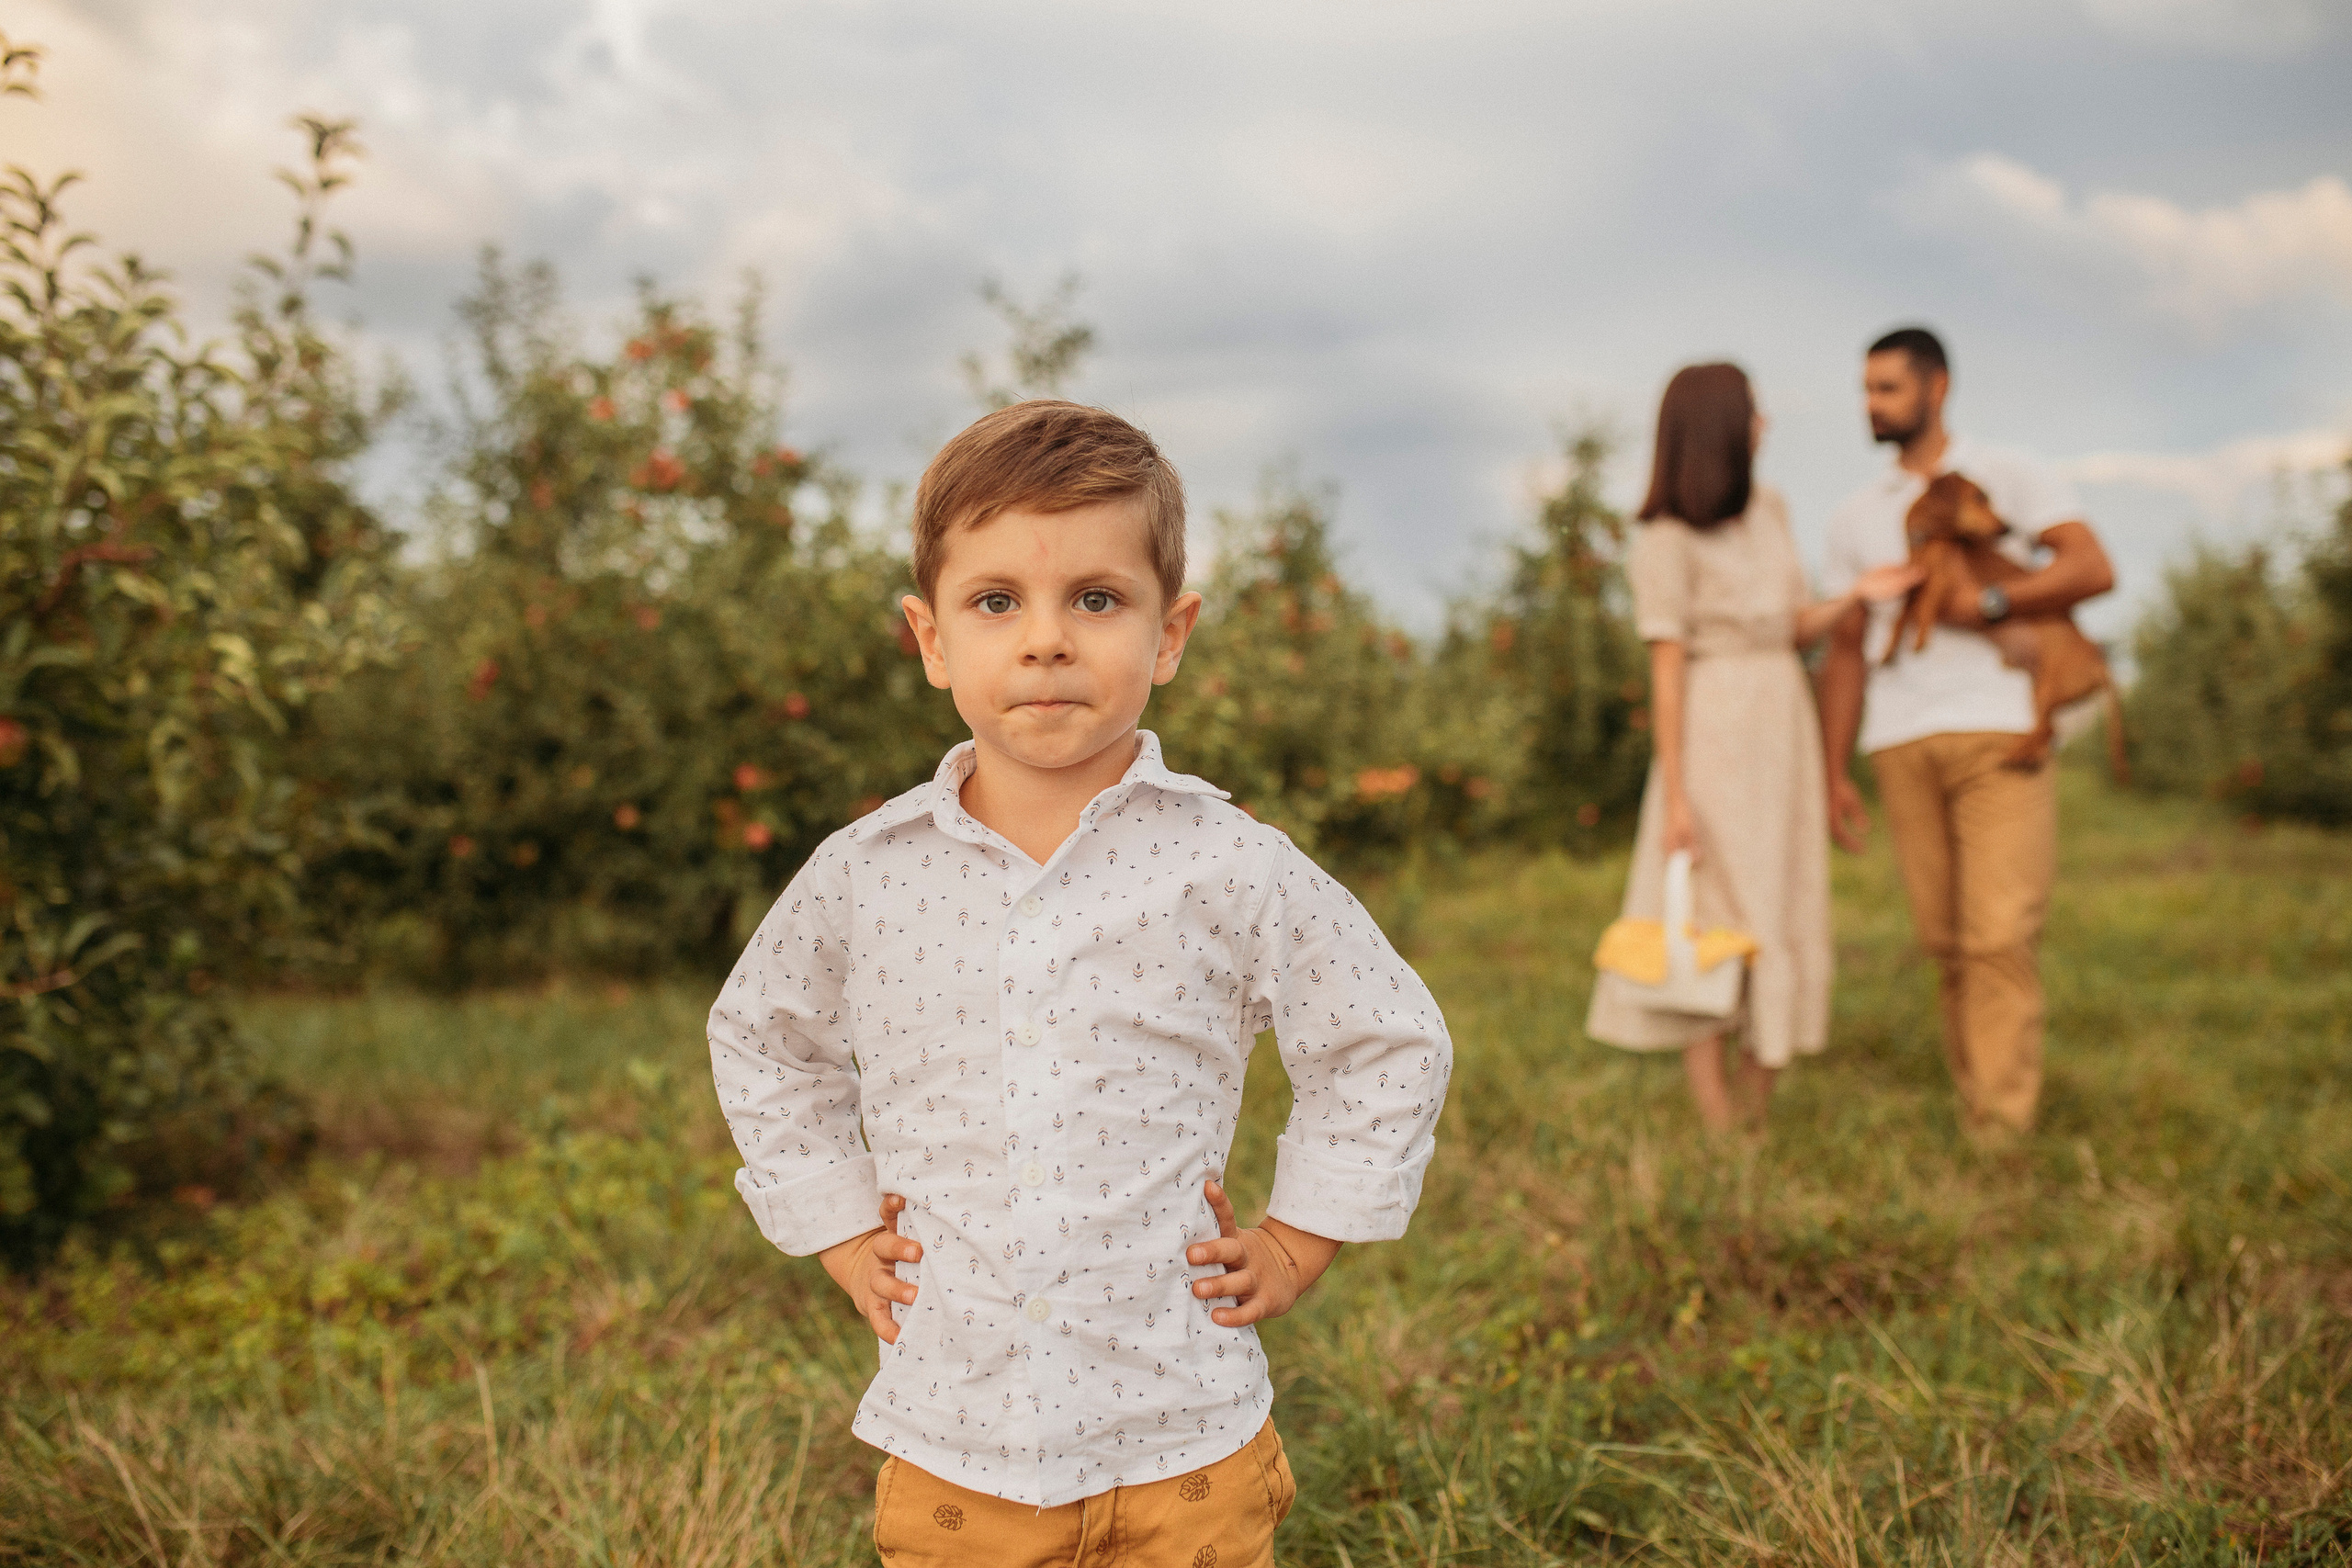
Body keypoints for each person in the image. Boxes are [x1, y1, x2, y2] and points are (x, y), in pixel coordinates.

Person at [707, 400, 1452, 1566]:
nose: (1046, 640)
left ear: (1170, 633)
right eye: (996, 602)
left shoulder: (1230, 864)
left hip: (1185, 1440)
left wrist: (1301, 1239)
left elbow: (1385, 1039)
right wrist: (842, 1233)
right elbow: (763, 1037)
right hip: (961, 1443)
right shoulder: (865, 875)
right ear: (931, 639)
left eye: (1095, 600)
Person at [1588, 363, 1918, 1133]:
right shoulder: (1665, 538)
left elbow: (1790, 626)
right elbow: (1666, 669)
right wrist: (1676, 795)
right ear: (1719, 428)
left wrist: (1854, 599)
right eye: (1753, 411)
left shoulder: (1771, 508)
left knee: (1782, 902)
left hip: (1783, 727)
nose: (1766, 422)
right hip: (1713, 733)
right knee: (1713, 922)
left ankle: (1756, 1108)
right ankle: (1718, 1124)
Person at [1818, 327, 2115, 1144]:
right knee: (1946, 943)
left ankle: (2002, 1131)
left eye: (1887, 388)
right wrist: (1833, 770)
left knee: (1999, 937)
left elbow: (2094, 567)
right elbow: (1845, 650)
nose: (1871, 405)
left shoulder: (2007, 475)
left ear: (1935, 387)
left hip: (1999, 729)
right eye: (1866, 389)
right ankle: (1978, 1102)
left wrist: (1990, 606)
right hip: (1901, 737)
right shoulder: (1855, 516)